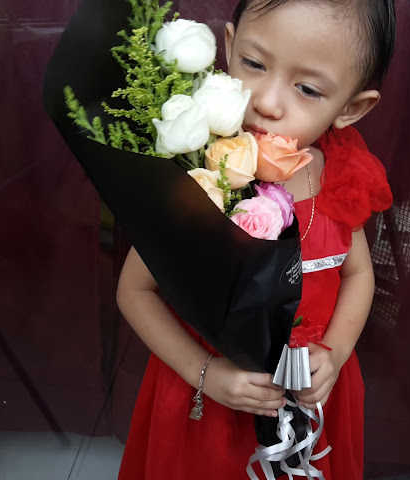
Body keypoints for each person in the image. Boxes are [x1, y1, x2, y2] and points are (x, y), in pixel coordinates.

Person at [116, 0, 395, 478]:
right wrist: (206, 374)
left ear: (351, 107)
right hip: (210, 391)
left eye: (307, 88)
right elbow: (135, 289)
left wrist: (336, 352)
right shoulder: (200, 173)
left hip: (308, 393)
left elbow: (357, 274)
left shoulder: (342, 178)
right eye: (254, 63)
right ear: (228, 47)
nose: (267, 101)